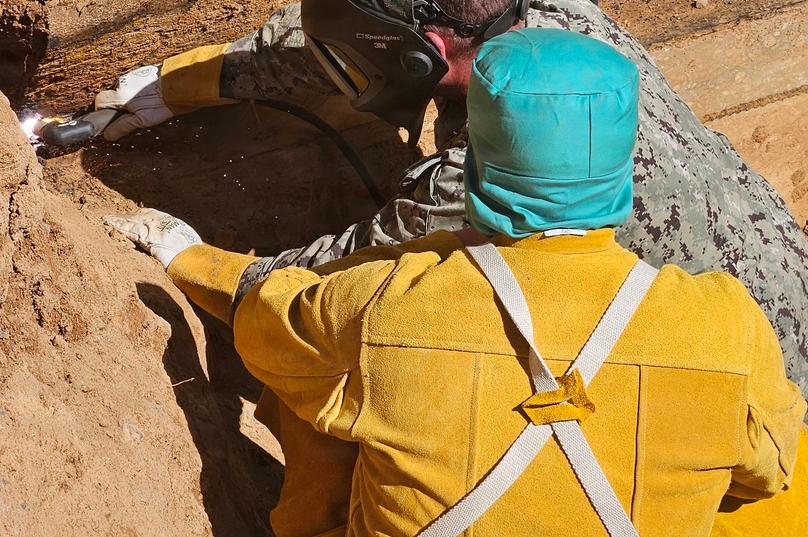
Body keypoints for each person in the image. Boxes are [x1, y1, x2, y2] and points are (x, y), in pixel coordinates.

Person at [95, 0, 808, 399]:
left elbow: (326, 284)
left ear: (428, 51)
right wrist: (183, 81)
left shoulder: (492, 173)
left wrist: (193, 261)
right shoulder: (555, 7)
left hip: (764, 401)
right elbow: (346, 33)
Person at [105, 28, 807, 535]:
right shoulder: (727, 321)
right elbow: (767, 474)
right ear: (622, 177)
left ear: (470, 170)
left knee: (312, 392)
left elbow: (268, 312)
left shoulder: (387, 301)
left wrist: (183, 252)